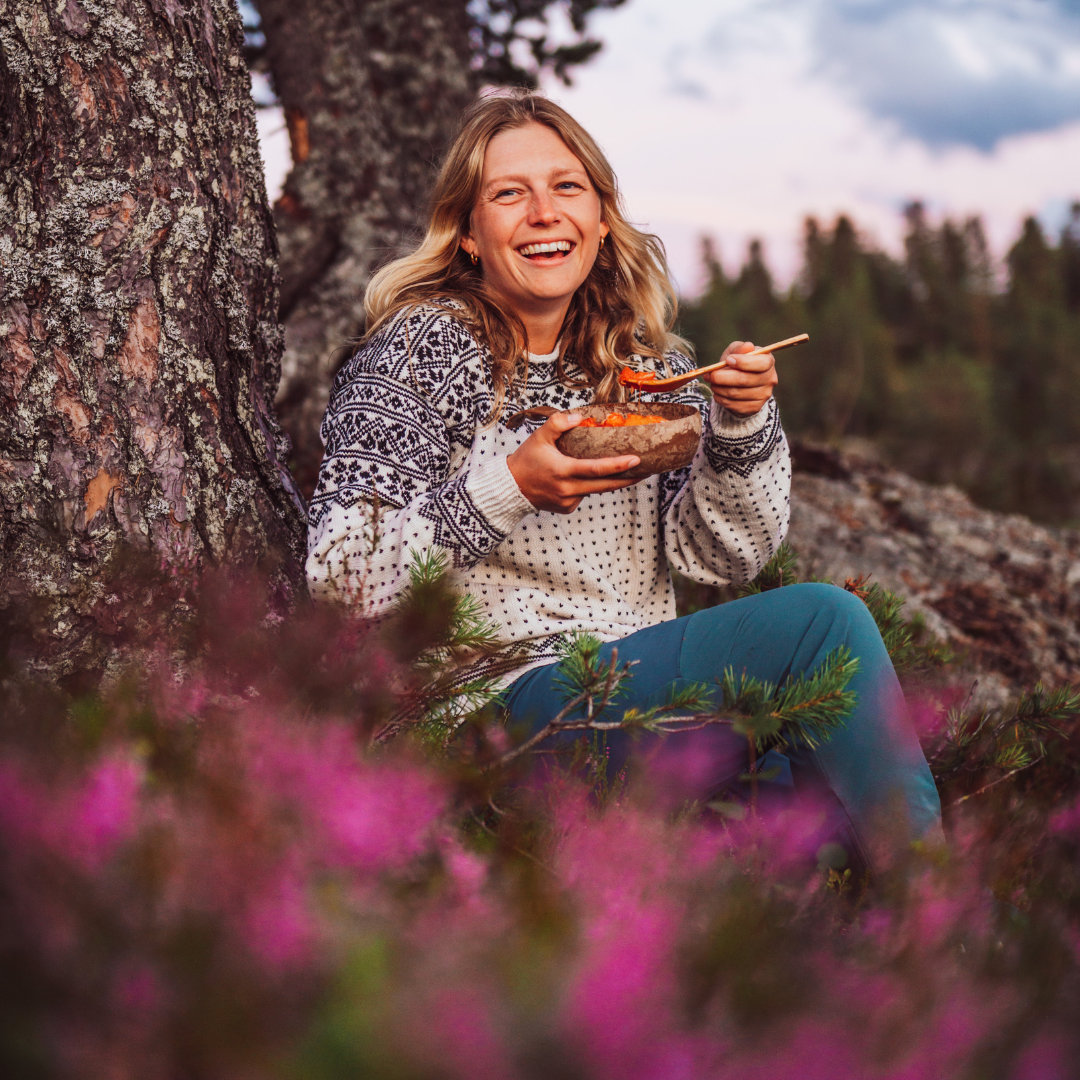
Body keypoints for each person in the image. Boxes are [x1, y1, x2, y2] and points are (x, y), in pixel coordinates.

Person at [306, 91, 942, 872]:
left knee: (829, 826)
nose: (544, 212)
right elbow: (339, 580)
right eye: (509, 193)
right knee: (824, 626)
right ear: (468, 234)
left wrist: (737, 424)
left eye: (567, 187)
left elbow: (725, 557)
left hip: (638, 705)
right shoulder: (417, 355)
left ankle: (886, 948)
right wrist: (505, 487)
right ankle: (952, 926)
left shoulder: (649, 367)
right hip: (492, 718)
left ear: (602, 219)